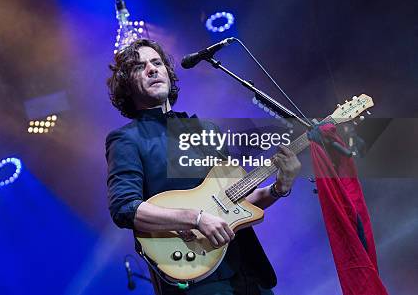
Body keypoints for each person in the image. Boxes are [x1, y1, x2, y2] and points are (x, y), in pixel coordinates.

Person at [105, 39, 301, 294]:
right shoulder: (127, 139)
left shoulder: (206, 131)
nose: (152, 69)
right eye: (139, 67)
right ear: (126, 86)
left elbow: (236, 200)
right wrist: (195, 219)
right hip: (196, 278)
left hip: (248, 270)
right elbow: (124, 208)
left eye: (157, 62)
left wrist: (279, 188)